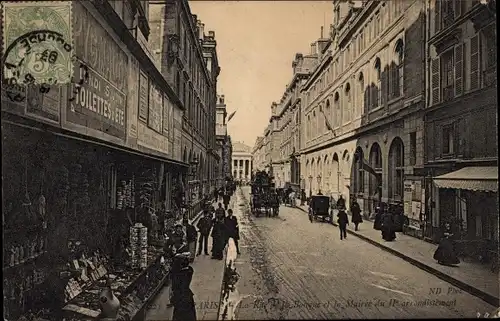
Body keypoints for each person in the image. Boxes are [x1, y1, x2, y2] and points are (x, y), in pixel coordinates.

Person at [171, 253, 196, 321]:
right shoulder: (189, 271)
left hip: (181, 298)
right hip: (187, 296)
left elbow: (175, 285)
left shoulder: (178, 275)